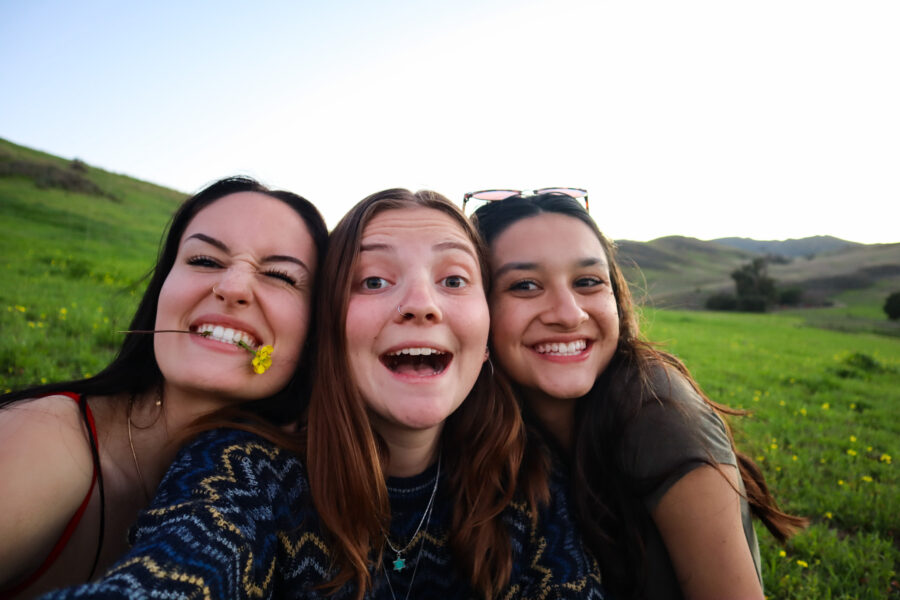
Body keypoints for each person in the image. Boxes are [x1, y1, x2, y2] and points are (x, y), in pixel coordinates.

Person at [38, 189, 604, 600]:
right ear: (326, 332)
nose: (421, 303)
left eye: (453, 280)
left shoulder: (524, 478)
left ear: (484, 339)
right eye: (373, 280)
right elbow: (172, 575)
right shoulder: (246, 474)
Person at [0, 176, 327, 599]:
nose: (231, 288)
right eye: (205, 260)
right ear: (162, 289)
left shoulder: (296, 480)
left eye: (280, 275)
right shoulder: (40, 438)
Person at [471, 191, 807, 600]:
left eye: (588, 282)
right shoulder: (480, 418)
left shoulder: (659, 414)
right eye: (525, 285)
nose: (568, 313)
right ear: (478, 305)